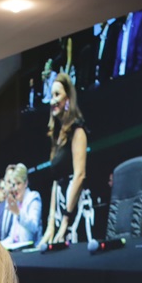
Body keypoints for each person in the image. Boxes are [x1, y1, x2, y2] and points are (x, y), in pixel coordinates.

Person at [39, 73, 89, 246]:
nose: (52, 101)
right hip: (61, 207)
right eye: (51, 96)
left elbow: (79, 175)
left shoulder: (78, 130)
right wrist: (51, 223)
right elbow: (55, 181)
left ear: (68, 98)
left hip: (75, 209)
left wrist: (66, 220)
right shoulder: (57, 135)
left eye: (57, 95)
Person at [0, 163, 43, 249]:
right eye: (14, 184)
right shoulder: (18, 203)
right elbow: (12, 237)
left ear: (26, 183)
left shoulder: (33, 197)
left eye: (18, 183)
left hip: (32, 250)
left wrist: (18, 214)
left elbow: (34, 227)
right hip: (18, 250)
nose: (15, 188)